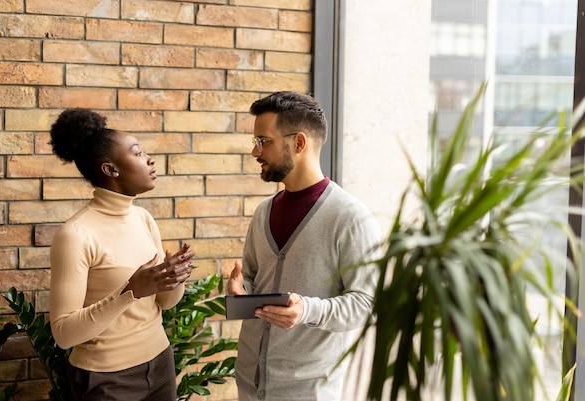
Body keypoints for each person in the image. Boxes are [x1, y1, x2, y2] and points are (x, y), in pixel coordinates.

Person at [228, 91, 381, 401]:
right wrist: (240, 288)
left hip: (308, 391)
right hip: (249, 386)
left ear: (298, 143)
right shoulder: (263, 212)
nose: (256, 152)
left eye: (264, 141)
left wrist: (307, 310)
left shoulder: (350, 218)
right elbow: (254, 275)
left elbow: (366, 304)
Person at [48, 108, 194, 401]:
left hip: (160, 362)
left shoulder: (143, 219)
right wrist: (130, 291)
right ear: (111, 169)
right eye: (138, 153)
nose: (150, 159)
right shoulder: (75, 235)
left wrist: (173, 279)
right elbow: (63, 334)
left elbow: (165, 304)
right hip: (106, 380)